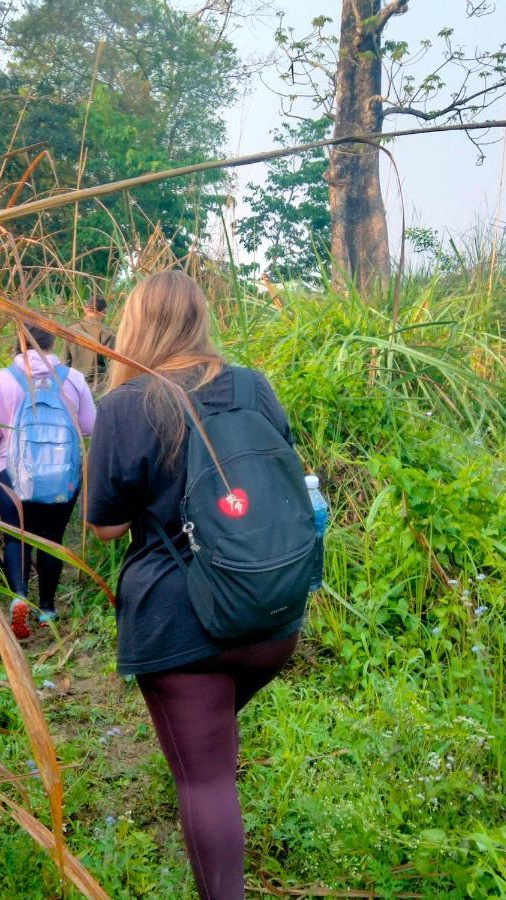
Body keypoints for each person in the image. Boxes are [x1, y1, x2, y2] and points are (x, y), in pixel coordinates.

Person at [86, 271, 305, 900]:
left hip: (185, 625)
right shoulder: (252, 386)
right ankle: (206, 739)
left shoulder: (127, 405)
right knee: (208, 743)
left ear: (136, 323)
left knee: (205, 781)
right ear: (200, 319)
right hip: (271, 611)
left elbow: (105, 527)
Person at [0, 324, 96, 638]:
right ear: (52, 341)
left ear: (17, 343)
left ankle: (19, 597)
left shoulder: (2, 378)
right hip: (61, 474)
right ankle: (47, 609)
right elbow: (88, 426)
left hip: (11, 472)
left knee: (16, 537)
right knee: (52, 538)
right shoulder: (73, 379)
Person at [66, 294, 114, 393]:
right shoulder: (107, 333)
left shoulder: (70, 330)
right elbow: (113, 365)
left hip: (74, 386)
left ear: (85, 309)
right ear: (104, 312)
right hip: (99, 388)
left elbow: (66, 361)